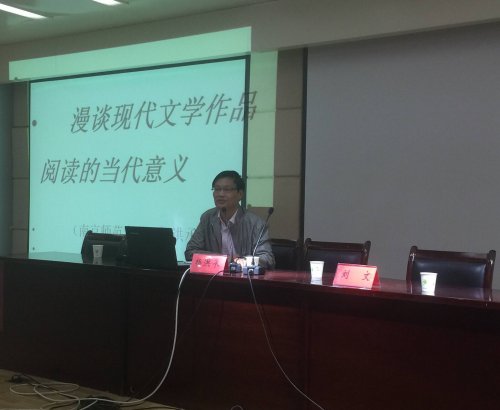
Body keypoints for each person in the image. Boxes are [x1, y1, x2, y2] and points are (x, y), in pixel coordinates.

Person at [185, 170, 275, 269]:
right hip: (213, 276)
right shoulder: (207, 218)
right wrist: (224, 259)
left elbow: (267, 259)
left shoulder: (255, 223)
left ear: (240, 194)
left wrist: (246, 261)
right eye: (217, 189)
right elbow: (190, 252)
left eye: (227, 190)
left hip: (243, 277)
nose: (220, 194)